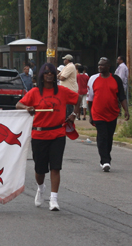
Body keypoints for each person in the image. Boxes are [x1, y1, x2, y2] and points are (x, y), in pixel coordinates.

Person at [16, 63, 81, 211]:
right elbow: (18, 104)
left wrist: (73, 114)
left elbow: (78, 99)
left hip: (58, 133)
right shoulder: (34, 92)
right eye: (46, 73)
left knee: (55, 167)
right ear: (41, 76)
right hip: (39, 134)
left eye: (51, 72)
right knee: (40, 170)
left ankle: (54, 199)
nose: (49, 75)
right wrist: (27, 108)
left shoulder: (62, 91)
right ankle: (40, 188)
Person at [87, 57, 129, 172]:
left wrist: (126, 110)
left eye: (102, 65)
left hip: (112, 113)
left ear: (109, 66)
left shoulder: (116, 79)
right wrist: (90, 115)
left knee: (109, 137)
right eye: (99, 65)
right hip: (98, 113)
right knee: (102, 136)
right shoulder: (93, 79)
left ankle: (106, 157)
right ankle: (105, 160)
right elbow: (90, 99)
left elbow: (122, 96)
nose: (100, 67)